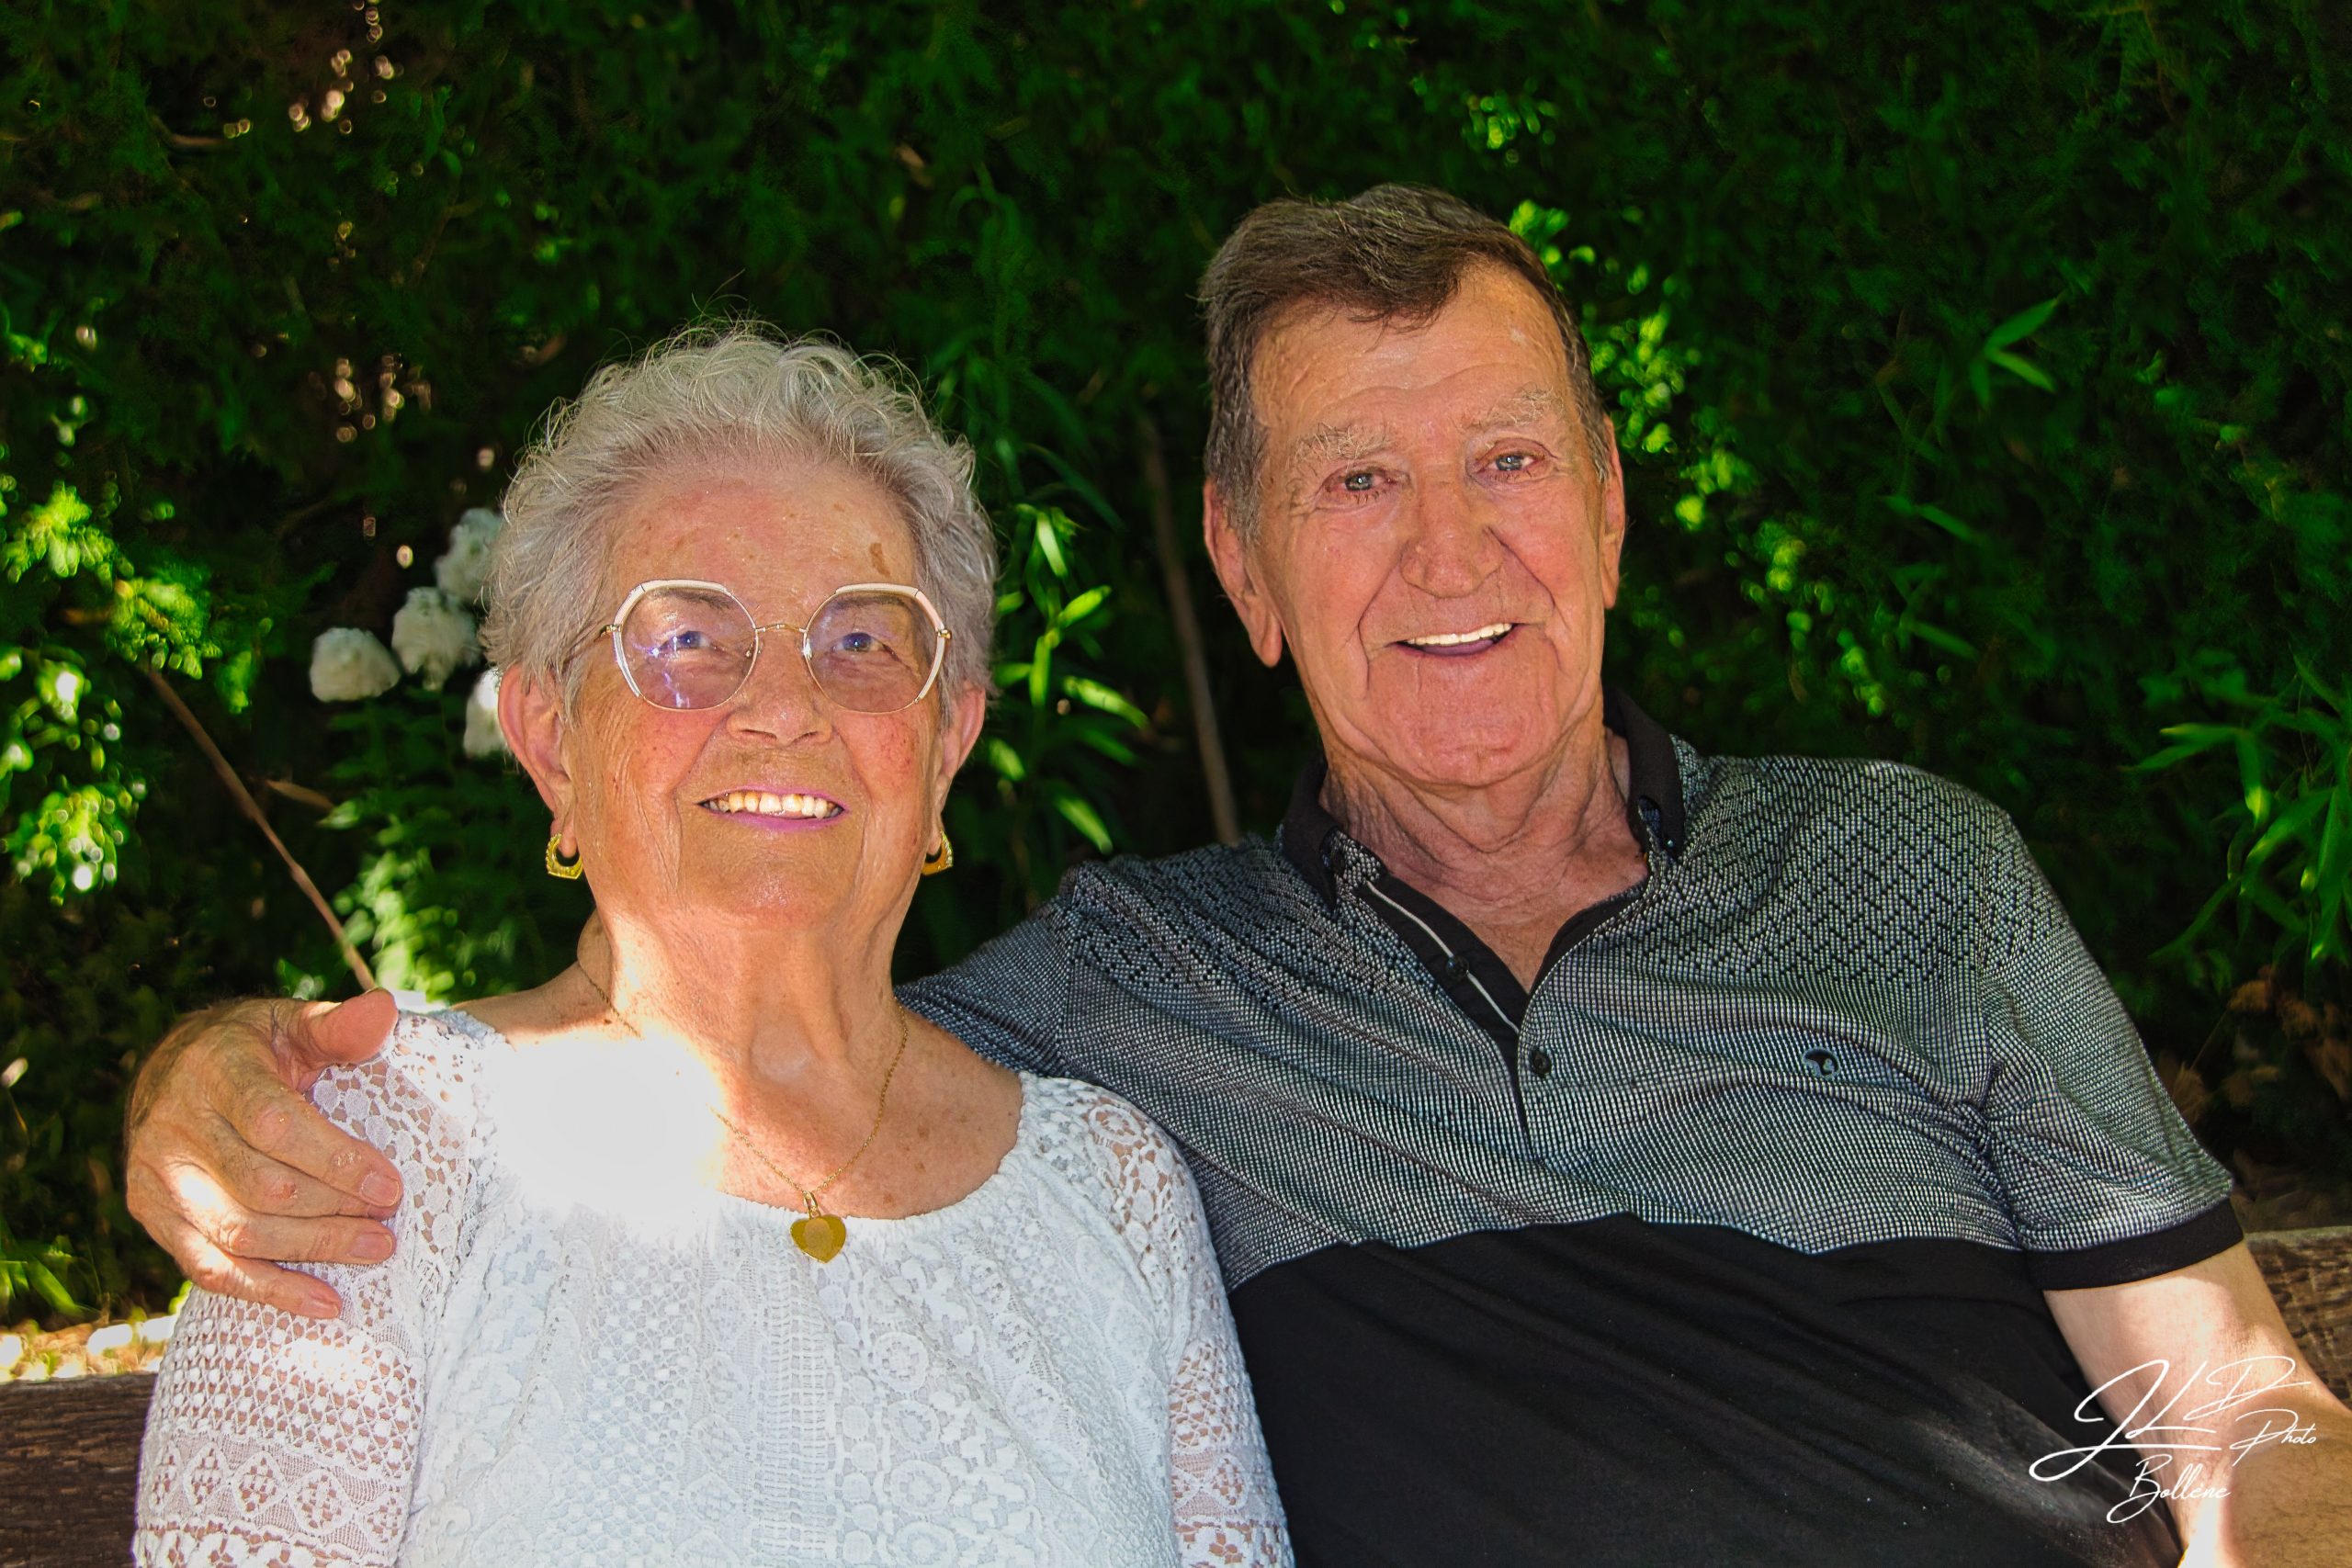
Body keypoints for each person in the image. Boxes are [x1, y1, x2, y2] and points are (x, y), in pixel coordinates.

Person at [127, 187, 2351, 1566]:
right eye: (1355, 482)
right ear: (1244, 570)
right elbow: (734, 1026)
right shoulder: (1134, 1003)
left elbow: (2232, 1399)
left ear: (1604, 502)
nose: (1450, 553)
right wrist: (218, 1072)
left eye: (1504, 460)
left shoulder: (1911, 874)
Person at [130, 329, 1289, 1566]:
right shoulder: (366, 1150)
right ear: (551, 740)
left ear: (947, 744)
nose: (785, 708)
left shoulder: (1112, 1188)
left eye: (861, 642)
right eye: (685, 641)